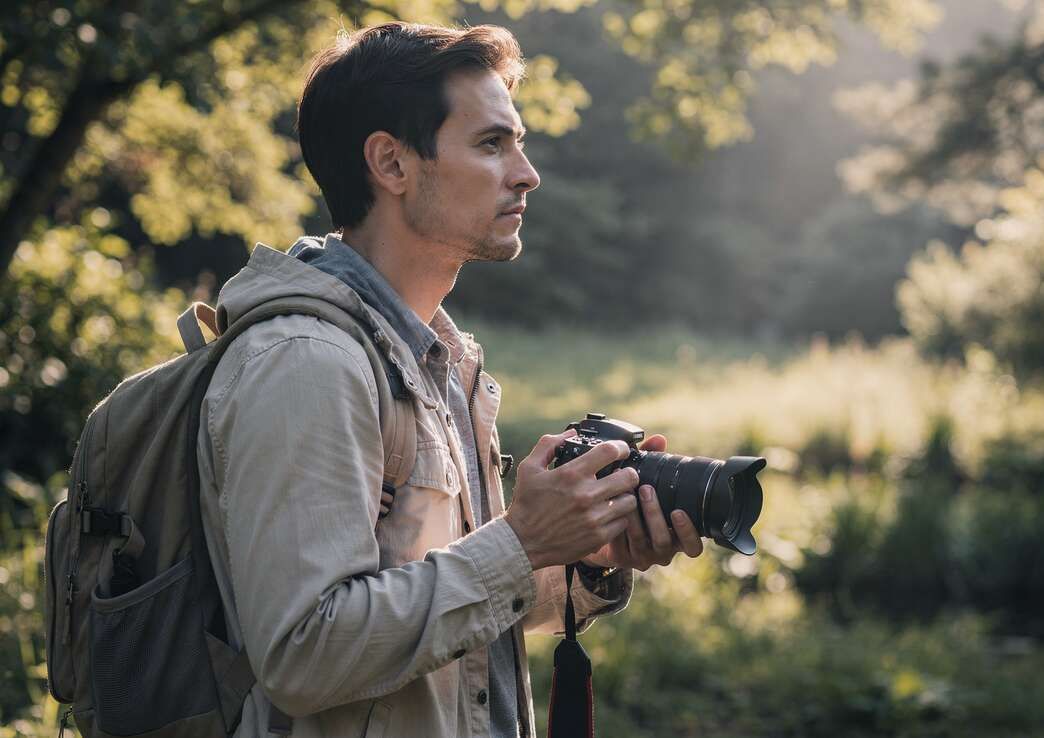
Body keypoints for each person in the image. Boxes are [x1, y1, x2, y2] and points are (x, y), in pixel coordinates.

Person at [196, 21, 705, 737]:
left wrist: (581, 556)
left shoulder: (439, 358)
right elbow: (304, 653)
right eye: (492, 144)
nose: (526, 172)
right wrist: (523, 541)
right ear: (393, 165)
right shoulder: (308, 363)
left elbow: (449, 611)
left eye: (519, 143)